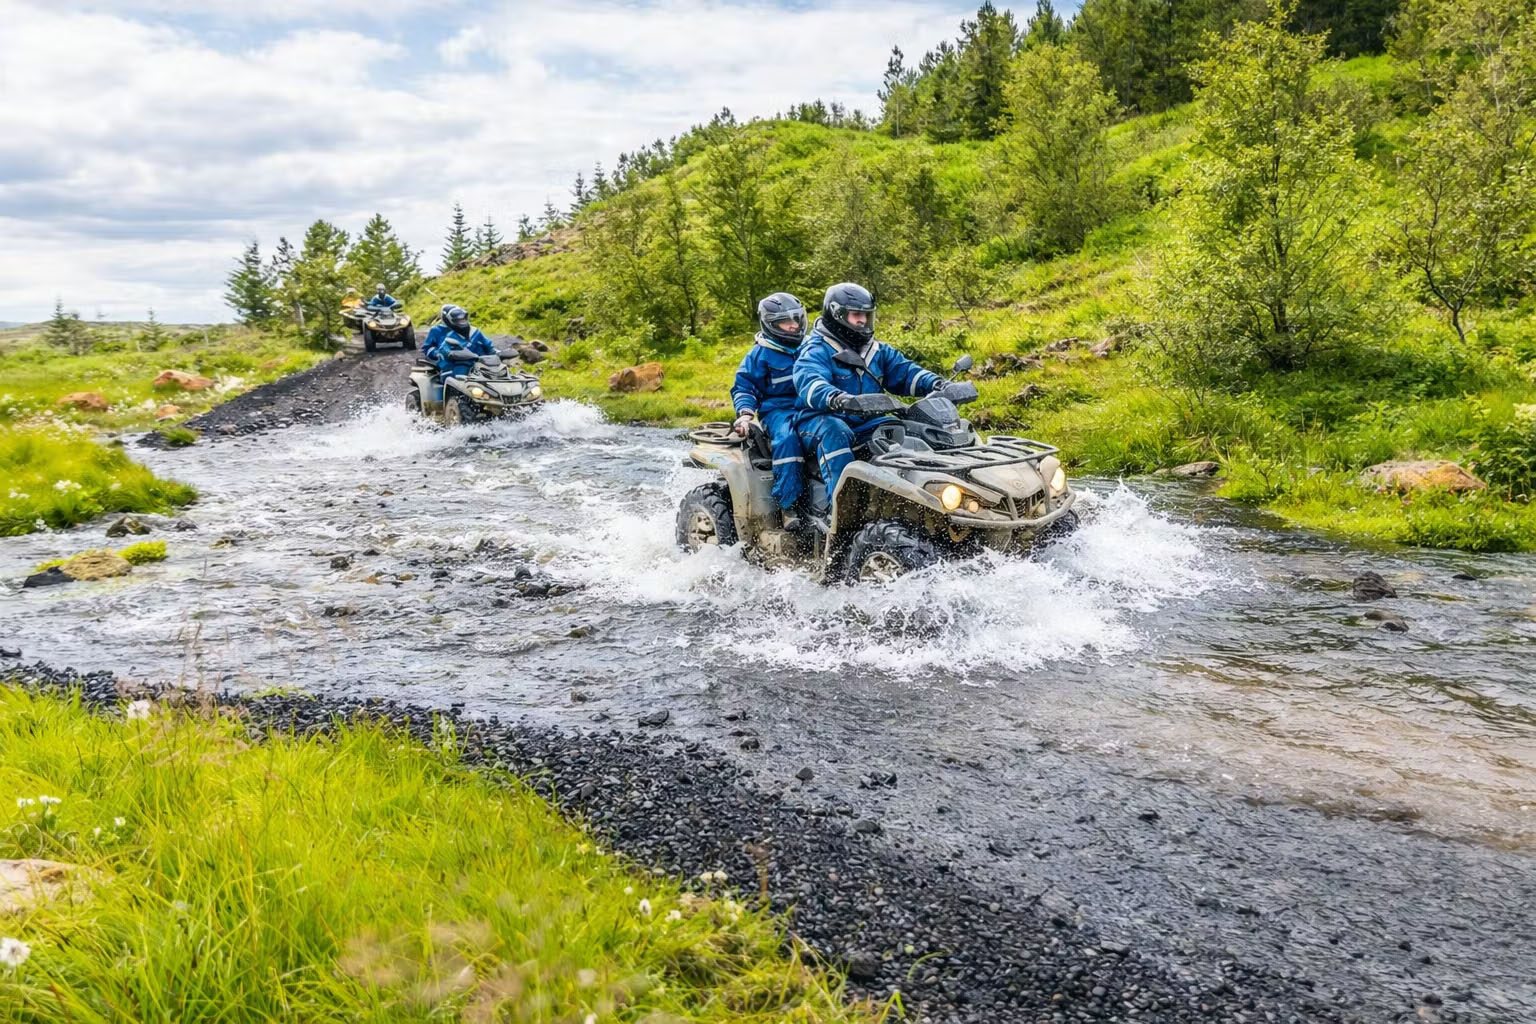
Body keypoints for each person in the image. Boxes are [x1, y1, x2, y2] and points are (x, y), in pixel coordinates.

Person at [793, 282, 945, 514]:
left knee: (908, 428)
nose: (863, 320)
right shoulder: (816, 350)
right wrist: (835, 397)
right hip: (819, 419)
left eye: (866, 314)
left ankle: (923, 497)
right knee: (835, 432)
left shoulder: (876, 350)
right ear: (837, 314)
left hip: (865, 418)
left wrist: (937, 383)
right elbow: (809, 381)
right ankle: (842, 511)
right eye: (856, 315)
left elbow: (905, 373)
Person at [730, 292, 809, 517]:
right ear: (770, 324)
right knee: (788, 439)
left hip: (810, 406)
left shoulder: (810, 347)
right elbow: (744, 387)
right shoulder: (760, 354)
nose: (794, 326)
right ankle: (789, 505)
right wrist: (745, 414)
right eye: (786, 322)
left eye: (796, 319)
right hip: (778, 410)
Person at [422, 304, 494, 377]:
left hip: (478, 365)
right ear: (448, 319)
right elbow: (428, 348)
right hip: (454, 364)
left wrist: (495, 355)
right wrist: (437, 354)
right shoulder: (437, 331)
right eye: (457, 319)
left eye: (462, 318)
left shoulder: (474, 332)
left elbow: (489, 346)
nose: (461, 321)